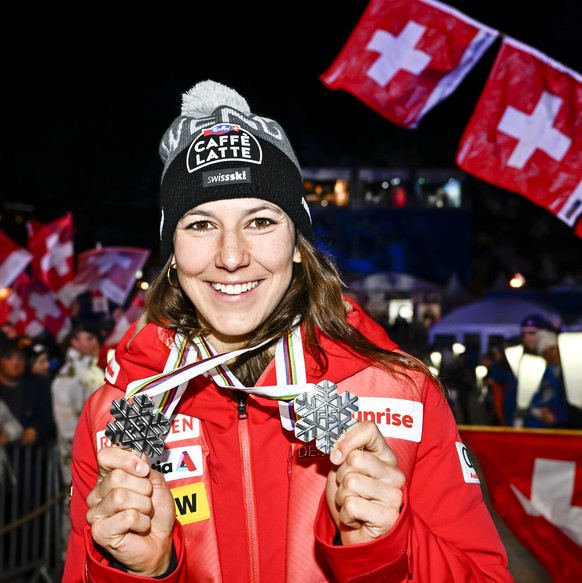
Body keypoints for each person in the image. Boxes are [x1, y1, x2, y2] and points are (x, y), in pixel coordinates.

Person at [63, 80, 512, 582]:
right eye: (200, 225)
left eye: (259, 221)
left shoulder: (404, 393)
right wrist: (143, 571)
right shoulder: (116, 412)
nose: (231, 257)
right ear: (173, 257)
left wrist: (390, 549)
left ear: (299, 245)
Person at [51, 317, 104, 557]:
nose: (95, 343)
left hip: (99, 455)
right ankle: (69, 562)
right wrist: (82, 458)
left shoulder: (95, 371)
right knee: (75, 510)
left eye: (96, 338)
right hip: (79, 459)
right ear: (74, 341)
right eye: (89, 338)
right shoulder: (68, 377)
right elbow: (67, 428)